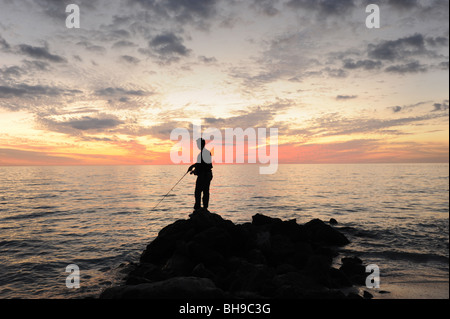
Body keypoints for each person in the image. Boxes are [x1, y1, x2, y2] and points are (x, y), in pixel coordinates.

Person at [188, 138, 213, 211]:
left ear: (201, 144)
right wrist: (194, 171)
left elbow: (202, 165)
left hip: (205, 175)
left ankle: (198, 208)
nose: (197, 145)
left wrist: (192, 166)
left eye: (198, 144)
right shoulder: (204, 153)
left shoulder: (204, 153)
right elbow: (201, 165)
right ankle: (204, 207)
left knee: (198, 192)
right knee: (205, 191)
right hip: (207, 174)